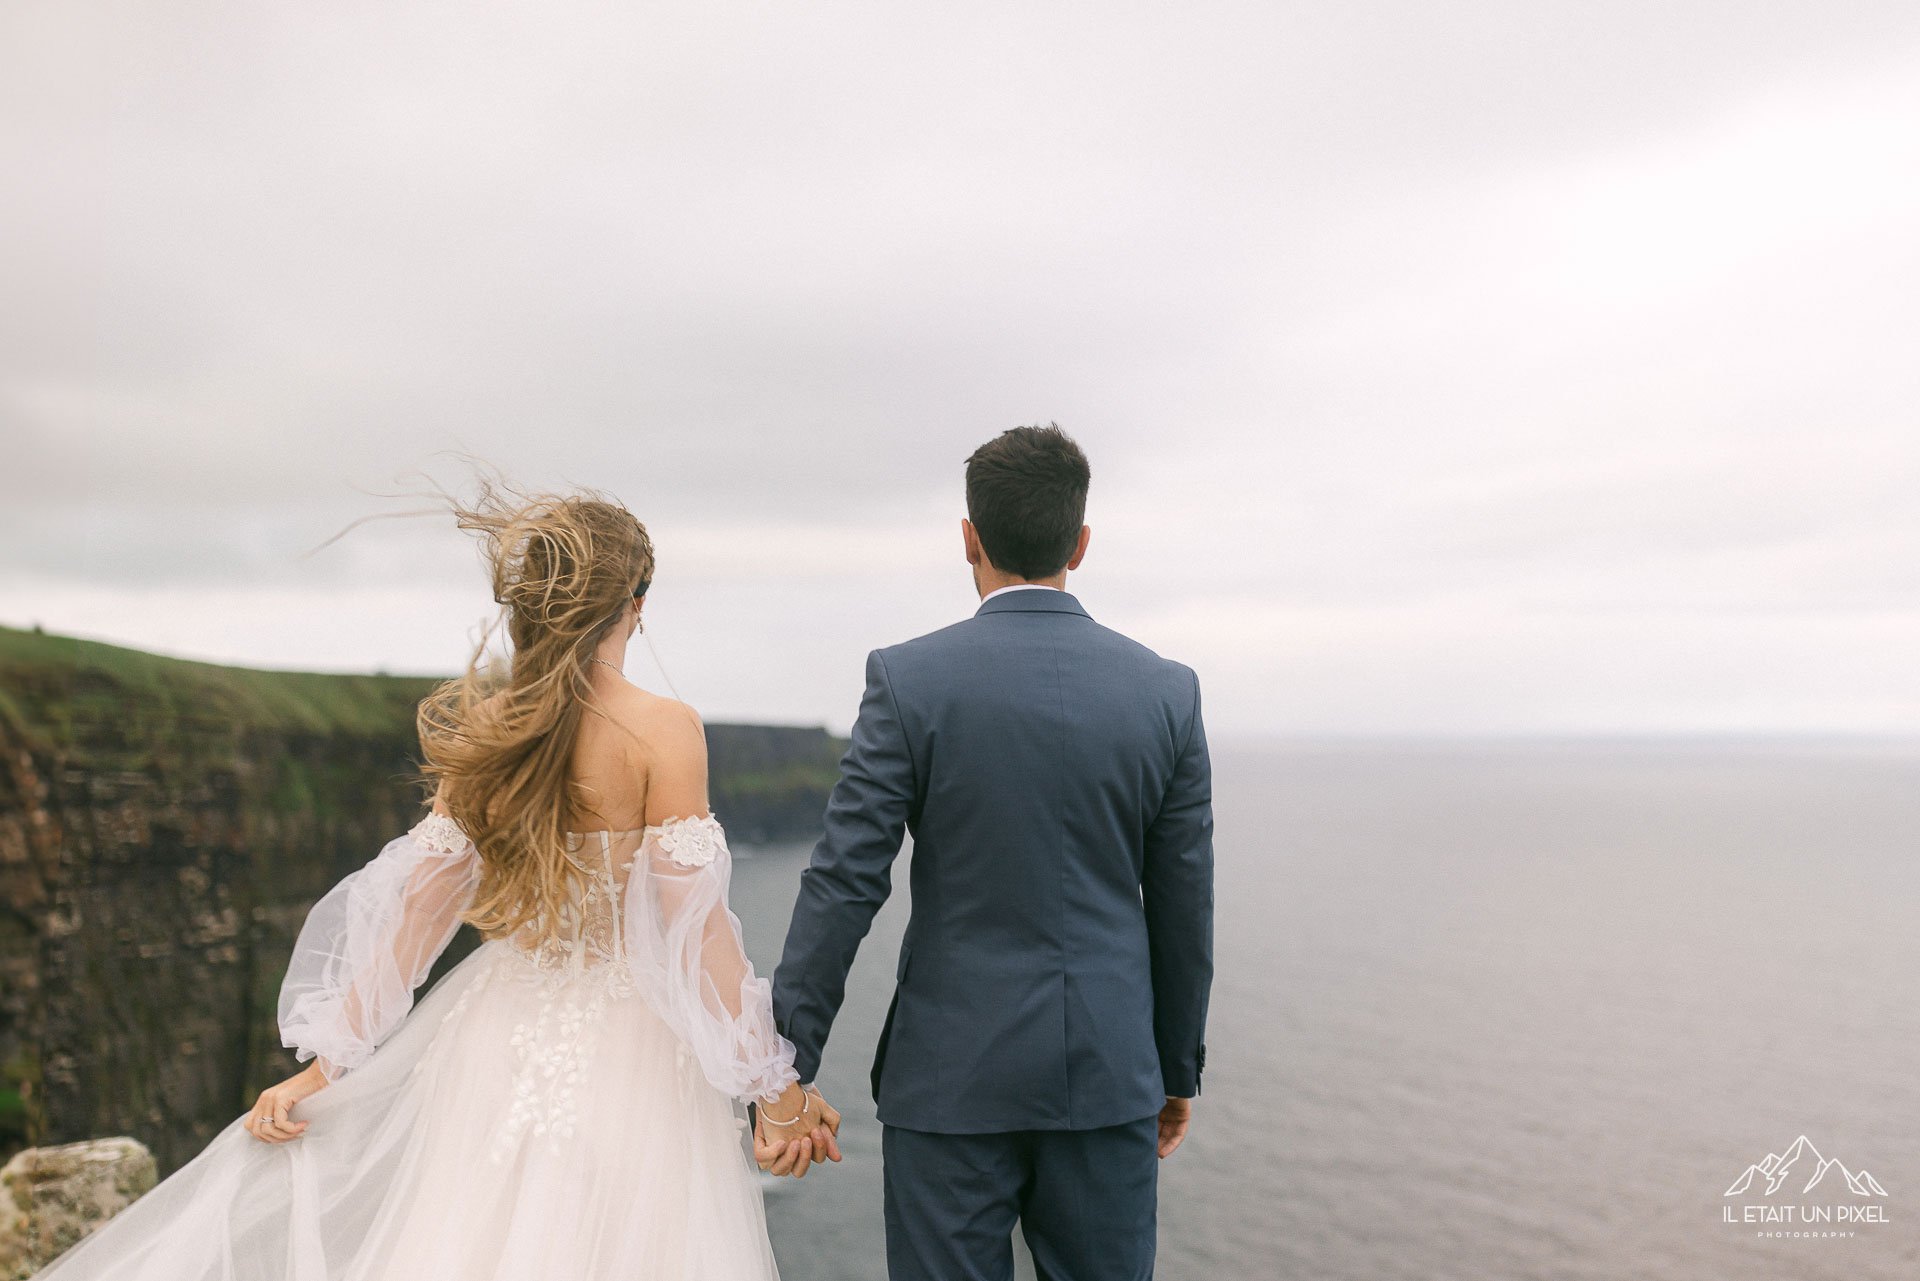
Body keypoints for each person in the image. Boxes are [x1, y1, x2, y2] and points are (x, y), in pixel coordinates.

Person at [35, 485, 841, 1280]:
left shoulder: (492, 730)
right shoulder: (664, 730)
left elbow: (418, 913)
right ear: (635, 603)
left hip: (489, 1042)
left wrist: (330, 1061)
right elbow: (696, 930)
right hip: (629, 1056)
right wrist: (772, 1089)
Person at [772, 424, 1215, 1281]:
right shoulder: (1167, 691)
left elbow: (845, 881)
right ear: (1080, 545)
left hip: (949, 1083)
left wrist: (784, 1068)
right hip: (1109, 1075)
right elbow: (1184, 901)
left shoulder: (908, 680)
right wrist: (1173, 1067)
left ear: (968, 537)